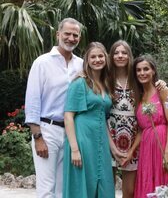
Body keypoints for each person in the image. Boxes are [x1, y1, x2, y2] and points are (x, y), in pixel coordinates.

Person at [25, 18, 83, 198]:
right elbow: (33, 100)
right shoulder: (42, 62)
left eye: (75, 35)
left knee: (62, 188)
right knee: (46, 189)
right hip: (47, 130)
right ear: (58, 34)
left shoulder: (81, 64)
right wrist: (38, 137)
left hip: (71, 132)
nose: (71, 38)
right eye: (67, 34)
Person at [107, 40, 167, 198]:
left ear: (129, 56)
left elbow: (152, 89)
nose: (120, 56)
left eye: (124, 52)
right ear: (111, 56)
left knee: (130, 191)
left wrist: (161, 83)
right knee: (106, 188)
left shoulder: (136, 80)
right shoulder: (106, 79)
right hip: (109, 139)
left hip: (133, 141)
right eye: (116, 52)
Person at [63, 42, 116, 198]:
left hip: (100, 141)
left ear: (106, 58)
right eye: (93, 57)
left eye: (100, 56)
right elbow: (68, 116)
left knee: (104, 183)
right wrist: (74, 149)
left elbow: (103, 118)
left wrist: (113, 148)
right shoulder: (80, 83)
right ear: (87, 60)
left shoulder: (106, 84)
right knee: (82, 185)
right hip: (82, 140)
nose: (97, 59)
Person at [132, 55, 168, 198]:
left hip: (164, 145)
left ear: (153, 71)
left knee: (166, 186)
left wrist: (167, 151)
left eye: (146, 69)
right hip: (147, 149)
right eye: (138, 70)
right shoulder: (139, 96)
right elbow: (141, 129)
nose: (142, 73)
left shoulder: (162, 90)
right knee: (149, 186)